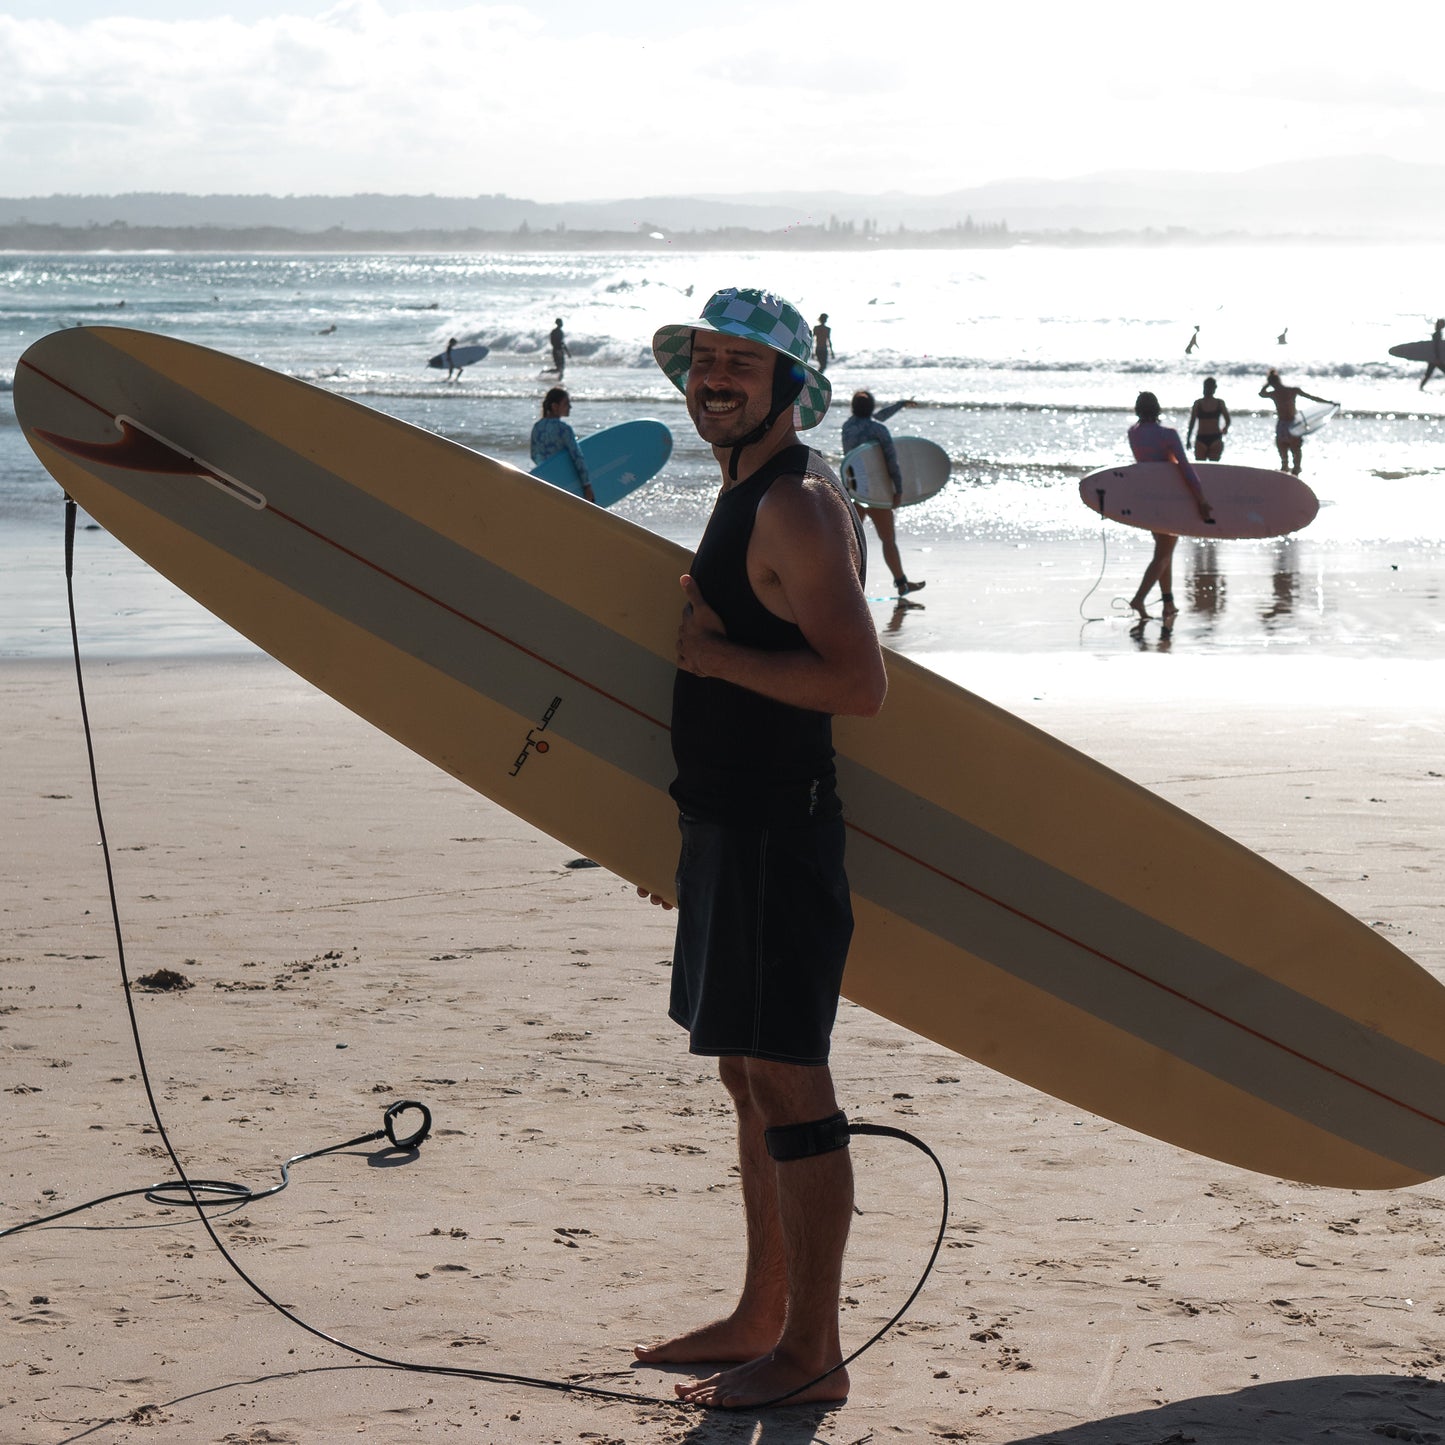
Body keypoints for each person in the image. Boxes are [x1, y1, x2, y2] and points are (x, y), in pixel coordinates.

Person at [635, 286, 888, 1410]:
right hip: (727, 832)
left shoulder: (793, 502)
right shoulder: (741, 491)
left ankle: (811, 1352)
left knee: (789, 1080)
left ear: (790, 384)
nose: (715, 377)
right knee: (746, 1071)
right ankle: (760, 1312)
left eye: (741, 362)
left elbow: (855, 682)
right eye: (702, 360)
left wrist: (714, 659)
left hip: (779, 840)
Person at [1127, 391, 1213, 620]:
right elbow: (1185, 468)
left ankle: (1168, 603)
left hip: (1147, 499)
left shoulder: (1133, 433)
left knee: (1164, 552)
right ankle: (1139, 598)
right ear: (1157, 408)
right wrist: (1201, 499)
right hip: (1170, 500)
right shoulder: (1168, 434)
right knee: (1163, 555)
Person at [841, 390, 924, 596]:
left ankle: (848, 587)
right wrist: (898, 490)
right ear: (871, 408)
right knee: (888, 540)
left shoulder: (847, 427)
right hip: (878, 494)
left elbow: (875, 419)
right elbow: (891, 461)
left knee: (851, 542)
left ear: (853, 408)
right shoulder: (879, 430)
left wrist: (900, 404)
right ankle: (901, 583)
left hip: (855, 491)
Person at [1258, 368, 1334, 475]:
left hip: (1288, 423)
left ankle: (1293, 469)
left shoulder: (1281, 392)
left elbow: (1262, 393)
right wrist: (1328, 403)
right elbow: (1261, 394)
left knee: (1291, 448)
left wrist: (1328, 403)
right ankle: (1289, 469)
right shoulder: (1286, 391)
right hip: (1287, 423)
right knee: (1289, 449)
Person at [529, 387, 594, 502]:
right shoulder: (564, 429)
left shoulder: (537, 427)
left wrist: (548, 469)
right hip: (564, 484)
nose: (570, 407)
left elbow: (534, 455)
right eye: (566, 403)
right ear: (555, 406)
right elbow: (577, 457)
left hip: (544, 481)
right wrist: (587, 486)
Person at [1186, 377, 1231, 461]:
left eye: (1210, 387)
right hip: (1201, 438)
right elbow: (1191, 423)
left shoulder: (1220, 403)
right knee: (1201, 469)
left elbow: (1228, 420)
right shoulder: (1198, 403)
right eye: (1206, 386)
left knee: (1213, 468)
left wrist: (1225, 428)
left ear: (1214, 388)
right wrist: (1188, 439)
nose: (1207, 389)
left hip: (1216, 438)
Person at [1419, 318, 1444, 390]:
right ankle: (1420, 387)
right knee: (1428, 374)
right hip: (1435, 359)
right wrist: (1437, 358)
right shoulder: (1437, 334)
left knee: (1428, 374)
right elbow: (1436, 347)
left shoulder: (1437, 333)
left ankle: (1421, 387)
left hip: (1433, 358)